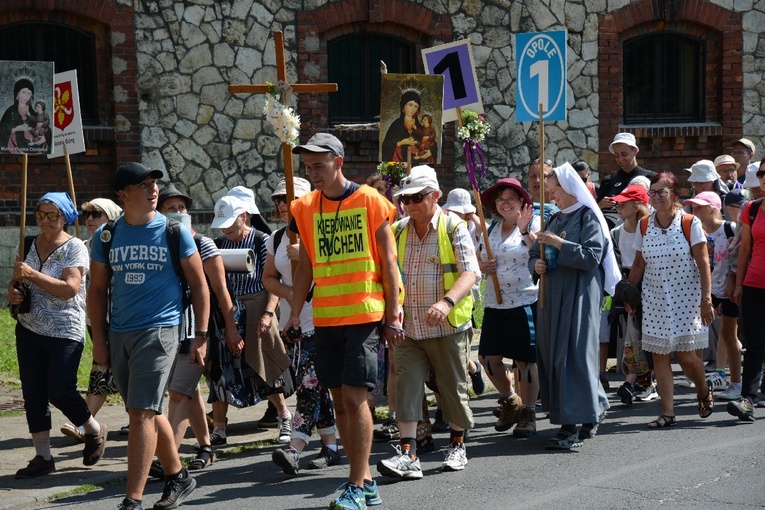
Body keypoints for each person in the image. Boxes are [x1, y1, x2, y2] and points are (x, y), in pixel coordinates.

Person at [287, 133, 402, 509]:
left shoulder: (370, 201)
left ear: (338, 162)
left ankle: (355, 482)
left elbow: (388, 263)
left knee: (355, 400)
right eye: (307, 167)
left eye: (318, 165)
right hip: (325, 318)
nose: (312, 173)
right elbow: (305, 265)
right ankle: (366, 482)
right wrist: (293, 312)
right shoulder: (303, 207)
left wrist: (393, 313)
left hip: (365, 315)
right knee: (338, 403)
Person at [89, 163, 210, 510]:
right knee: (148, 410)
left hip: (161, 330)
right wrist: (99, 340)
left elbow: (200, 285)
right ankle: (179, 476)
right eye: (143, 185)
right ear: (123, 195)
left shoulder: (175, 232)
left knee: (140, 413)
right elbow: (97, 290)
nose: (153, 189)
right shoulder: (107, 236)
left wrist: (200, 335)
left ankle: (132, 499)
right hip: (120, 332)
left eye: (155, 183)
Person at [376, 165, 478, 481]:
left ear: (435, 195)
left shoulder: (454, 227)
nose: (410, 204)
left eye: (417, 197)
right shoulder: (398, 230)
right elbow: (386, 276)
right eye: (405, 199)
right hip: (408, 328)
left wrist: (446, 303)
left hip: (447, 327)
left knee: (451, 390)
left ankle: (458, 443)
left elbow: (470, 273)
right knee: (407, 386)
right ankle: (408, 454)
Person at [9, 192, 108, 479]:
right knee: (34, 394)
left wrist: (32, 275)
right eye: (41, 214)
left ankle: (93, 429)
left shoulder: (75, 247)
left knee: (60, 390)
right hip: (29, 327)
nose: (46, 221)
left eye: (53, 215)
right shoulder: (27, 243)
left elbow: (70, 288)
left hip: (65, 330)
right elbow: (16, 282)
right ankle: (43, 456)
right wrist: (13, 292)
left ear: (65, 217)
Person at [529, 163, 619, 450]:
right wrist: (537, 264)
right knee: (556, 355)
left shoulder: (588, 217)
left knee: (574, 355)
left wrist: (558, 244)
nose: (551, 195)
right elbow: (533, 253)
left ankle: (570, 427)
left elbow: (592, 257)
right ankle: (593, 408)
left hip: (579, 294)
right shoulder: (554, 219)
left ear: (569, 189)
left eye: (554, 190)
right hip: (552, 295)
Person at [157, 184, 243, 473]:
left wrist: (231, 330)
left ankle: (167, 460)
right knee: (188, 391)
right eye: (171, 209)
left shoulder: (203, 244)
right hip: (166, 328)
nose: (178, 213)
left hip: (197, 331)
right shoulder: (157, 245)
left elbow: (220, 291)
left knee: (178, 393)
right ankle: (206, 447)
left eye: (182, 208)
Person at [626, 172, 715, 428]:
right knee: (659, 356)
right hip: (654, 298)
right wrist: (629, 292)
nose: (655, 197)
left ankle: (702, 389)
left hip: (686, 298)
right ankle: (667, 412)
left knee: (687, 357)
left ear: (674, 194)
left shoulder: (690, 222)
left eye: (661, 192)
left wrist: (706, 299)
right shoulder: (645, 224)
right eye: (651, 193)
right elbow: (639, 263)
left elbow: (703, 262)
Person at [265, 176, 341, 475]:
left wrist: (309, 258)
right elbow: (268, 278)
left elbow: (336, 273)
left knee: (310, 387)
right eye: (279, 200)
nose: (284, 204)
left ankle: (294, 448)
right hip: (293, 325)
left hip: (324, 321)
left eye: (290, 198)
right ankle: (331, 446)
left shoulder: (322, 232)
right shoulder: (277, 238)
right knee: (316, 387)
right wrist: (290, 294)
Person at [209, 193, 293, 446]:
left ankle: (285, 416)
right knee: (221, 369)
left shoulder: (261, 240)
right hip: (228, 309)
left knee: (264, 364)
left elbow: (272, 281)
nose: (225, 229)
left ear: (243, 217)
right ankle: (220, 429)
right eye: (222, 224)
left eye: (230, 223)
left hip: (258, 306)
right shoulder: (217, 244)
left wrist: (268, 314)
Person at [476, 178, 539, 437]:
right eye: (501, 199)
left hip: (524, 301)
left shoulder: (531, 225)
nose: (505, 203)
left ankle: (529, 411)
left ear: (522, 203)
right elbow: (477, 263)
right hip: (494, 303)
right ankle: (509, 399)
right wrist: (483, 268)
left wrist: (525, 230)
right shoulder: (488, 230)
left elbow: (541, 253)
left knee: (524, 361)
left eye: (511, 198)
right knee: (487, 359)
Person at [60, 198, 123, 443]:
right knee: (105, 368)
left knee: (111, 369)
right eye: (87, 215)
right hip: (94, 319)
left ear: (112, 216)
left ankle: (86, 424)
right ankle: (87, 423)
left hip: (121, 320)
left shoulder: (120, 245)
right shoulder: (81, 247)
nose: (90, 219)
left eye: (97, 214)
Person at [684, 192, 741, 401]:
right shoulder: (696, 232)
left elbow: (738, 256)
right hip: (709, 290)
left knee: (728, 335)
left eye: (698, 207)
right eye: (692, 207)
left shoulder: (730, 228)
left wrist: (735, 284)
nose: (694, 211)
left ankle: (736, 383)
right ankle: (697, 376)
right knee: (697, 333)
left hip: (728, 290)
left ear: (712, 208)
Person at [608, 185, 656, 405]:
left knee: (648, 336)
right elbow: (616, 265)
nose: (618, 206)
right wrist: (626, 296)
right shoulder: (615, 233)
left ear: (637, 206)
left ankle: (643, 382)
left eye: (624, 203)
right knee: (634, 336)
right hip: (626, 284)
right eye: (617, 202)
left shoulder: (649, 228)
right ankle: (639, 381)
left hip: (649, 283)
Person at [728, 157, 765, 421]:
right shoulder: (751, 209)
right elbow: (745, 251)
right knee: (754, 344)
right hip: (754, 284)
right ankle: (748, 400)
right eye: (761, 173)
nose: (763, 177)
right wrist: (739, 284)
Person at [597, 132, 656, 228]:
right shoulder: (608, 181)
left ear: (635, 151)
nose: (620, 159)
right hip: (610, 233)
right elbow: (595, 211)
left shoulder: (651, 178)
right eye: (616, 155)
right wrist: (600, 205)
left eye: (624, 154)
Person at [381, 84, 425, 162]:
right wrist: (401, 143)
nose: (413, 109)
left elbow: (428, 145)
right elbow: (386, 146)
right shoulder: (396, 125)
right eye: (410, 105)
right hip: (399, 163)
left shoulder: (420, 128)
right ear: (404, 107)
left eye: (416, 106)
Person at [0, 77, 35, 152]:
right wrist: (15, 129)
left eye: (29, 93)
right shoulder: (10, 112)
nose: (26, 96)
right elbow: (2, 130)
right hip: (12, 150)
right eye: (23, 92)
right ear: (17, 95)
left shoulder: (33, 114)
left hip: (30, 149)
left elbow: (42, 131)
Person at [527, 158, 558, 223]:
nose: (537, 180)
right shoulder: (521, 207)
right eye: (533, 176)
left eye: (543, 176)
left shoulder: (563, 207)